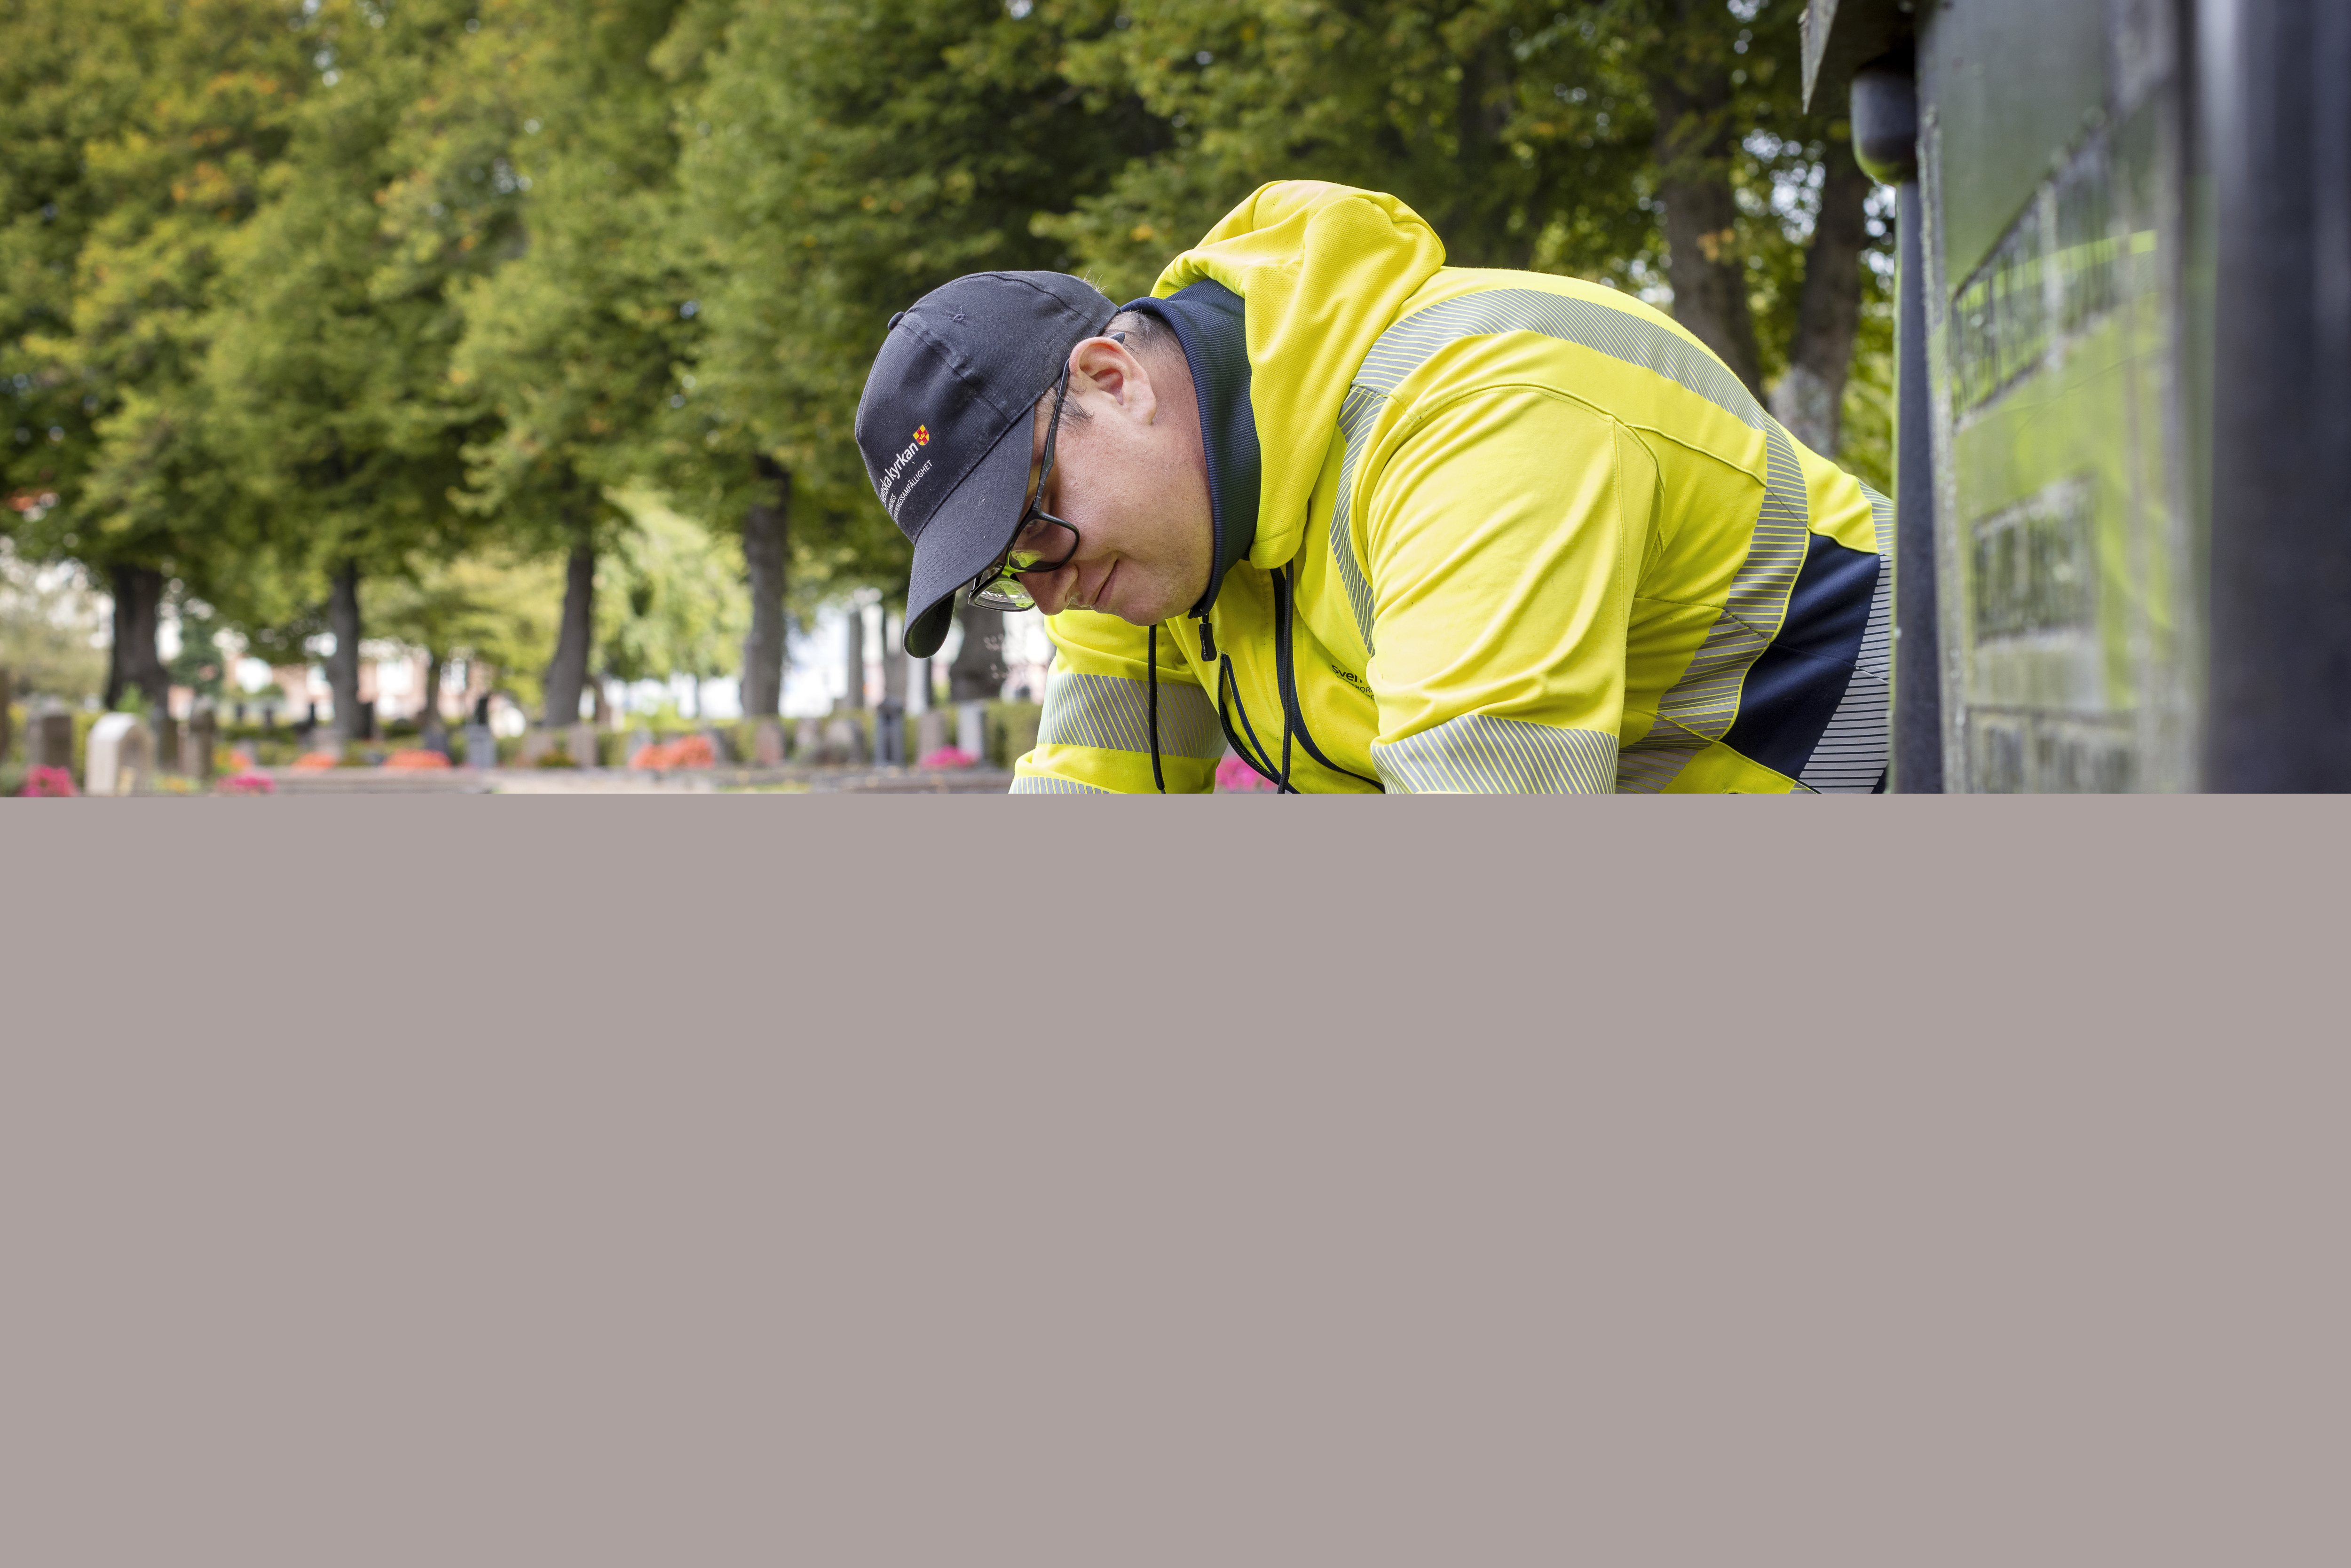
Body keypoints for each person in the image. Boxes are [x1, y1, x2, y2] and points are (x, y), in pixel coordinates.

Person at [854, 181, 1888, 793]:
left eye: (1032, 530)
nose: (1048, 590)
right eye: (1007, 570)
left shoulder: (1477, 413)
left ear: (1111, 382)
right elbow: (1091, 797)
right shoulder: (1133, 540)